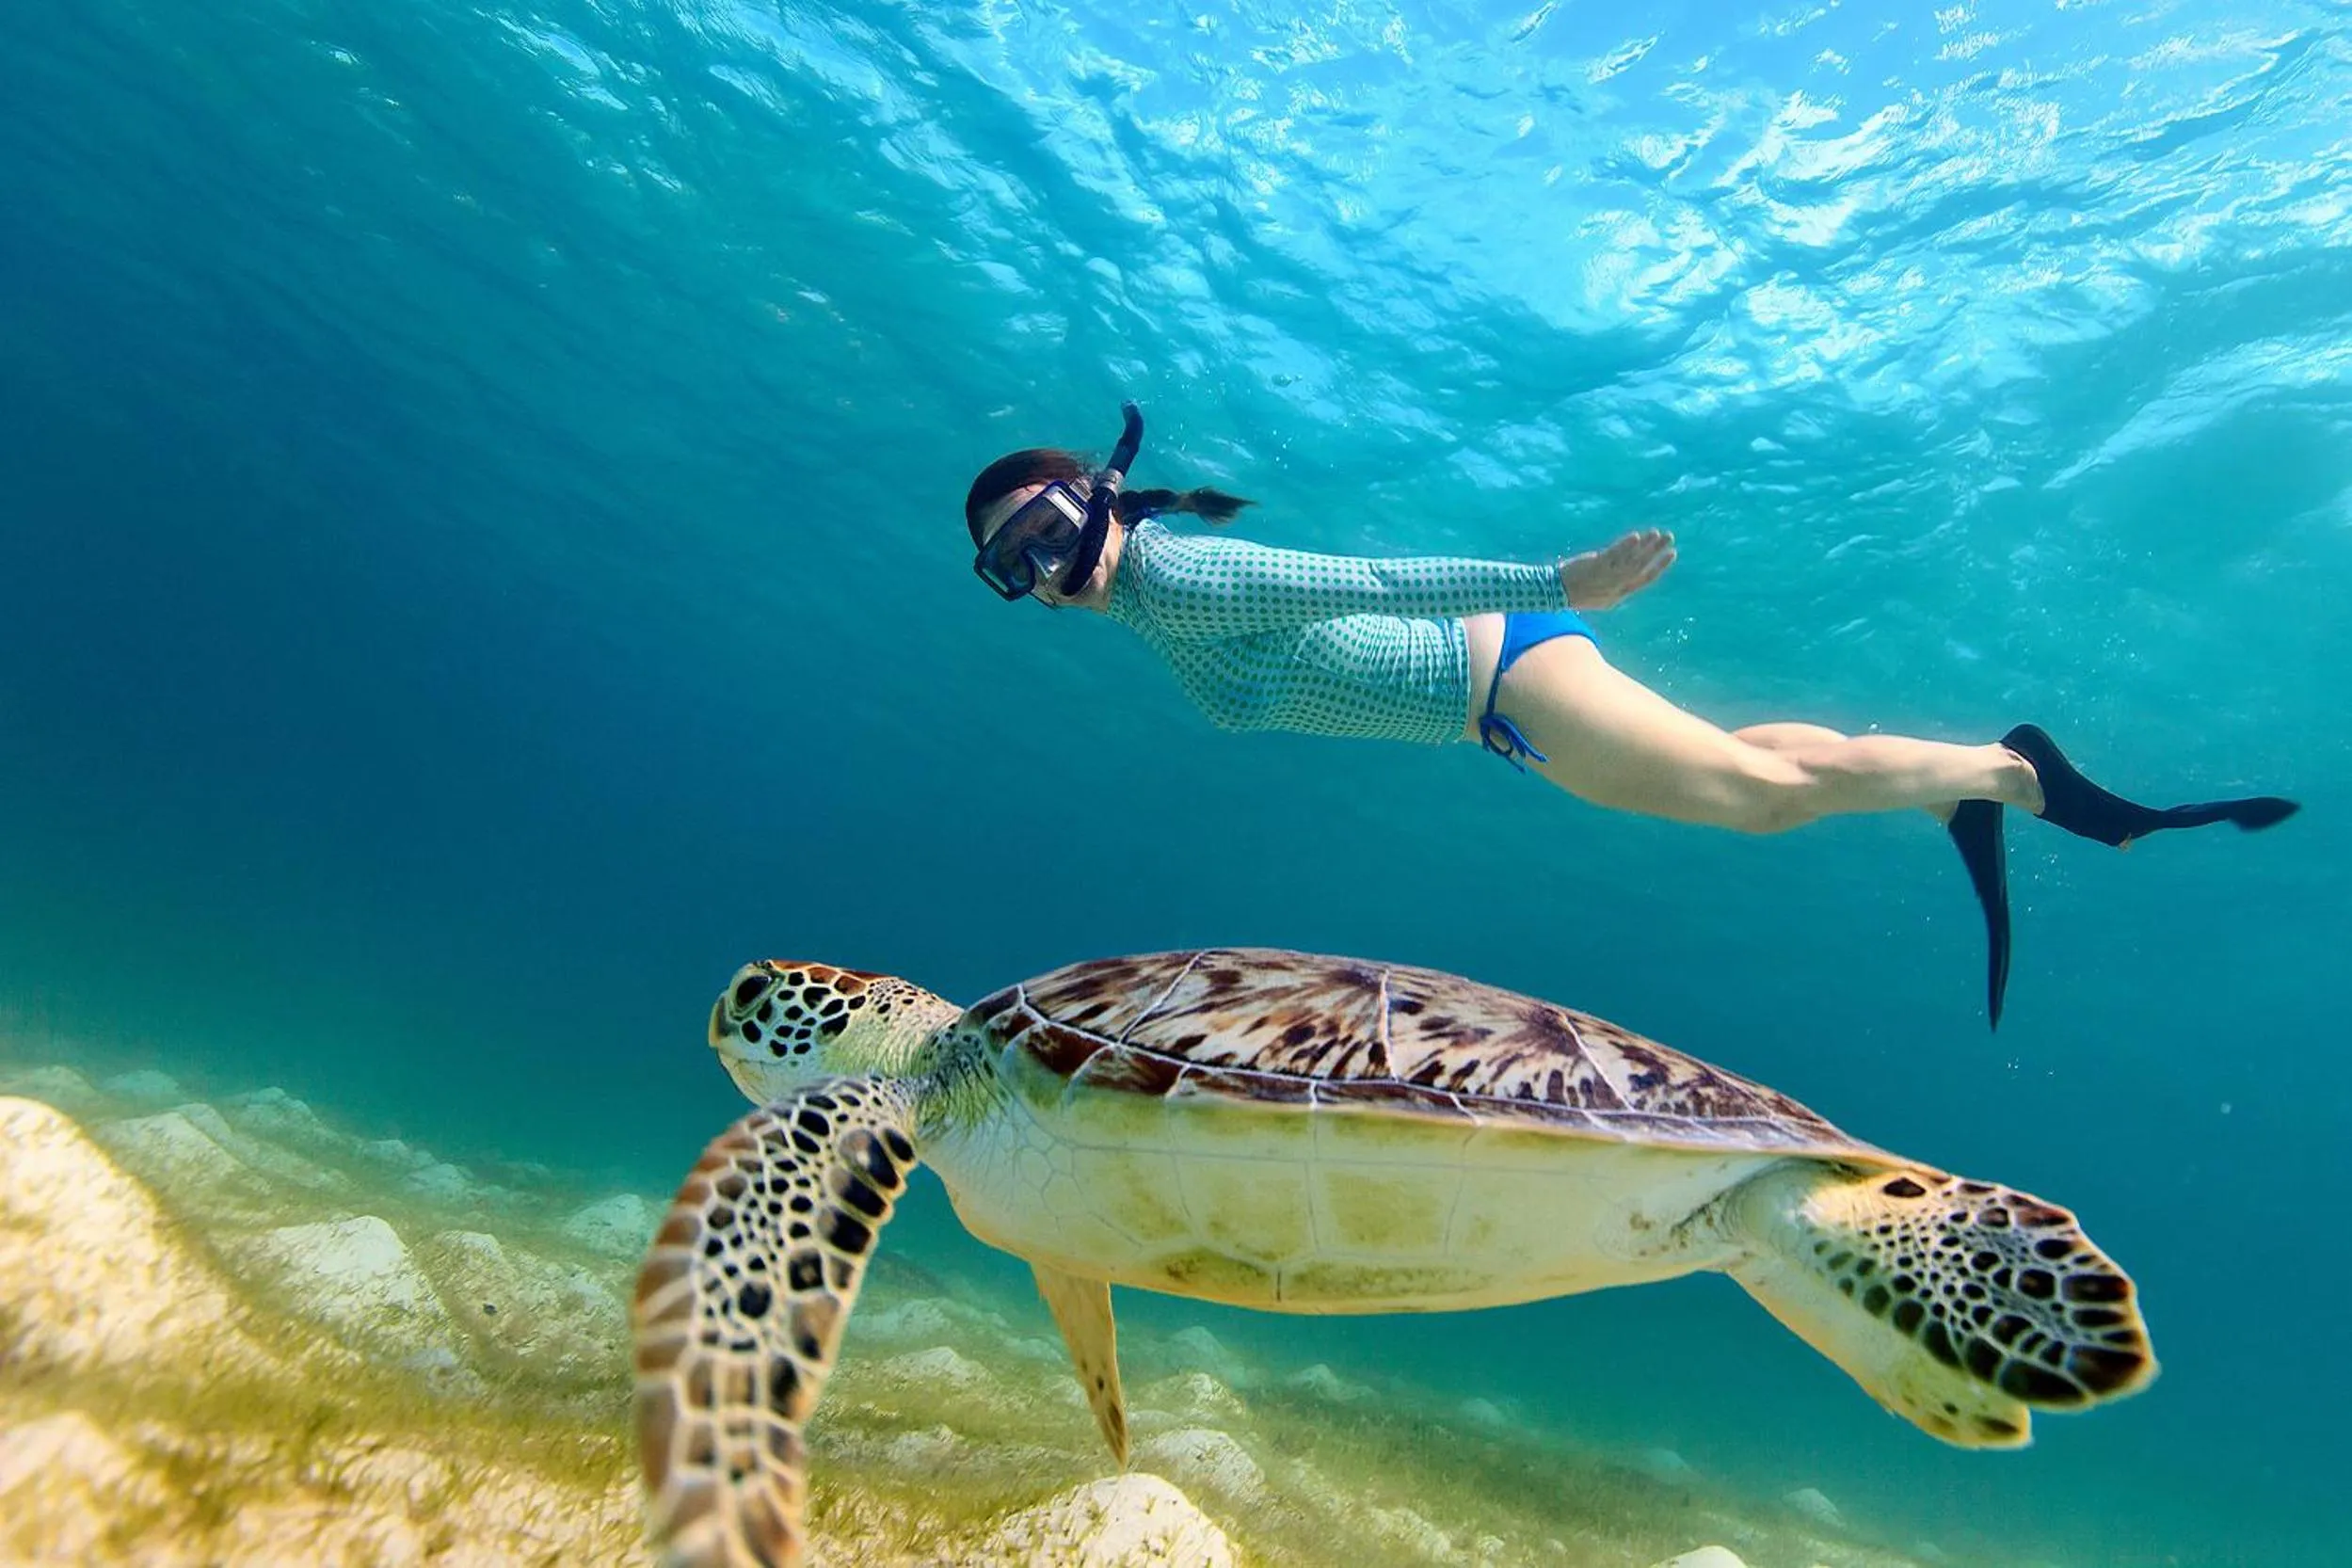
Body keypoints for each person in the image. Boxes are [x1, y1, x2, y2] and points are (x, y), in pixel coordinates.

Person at [966, 405, 2299, 1027]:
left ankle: (2011, 778)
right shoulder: (1149, 600)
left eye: (1036, 529)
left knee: (1758, 805)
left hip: (1498, 677)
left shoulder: (1175, 573)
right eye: (1005, 565)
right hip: (1498, 691)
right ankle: (1969, 779)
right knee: (1763, 769)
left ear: (1093, 496)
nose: (1037, 568)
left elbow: (1368, 579)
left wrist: (1564, 579)